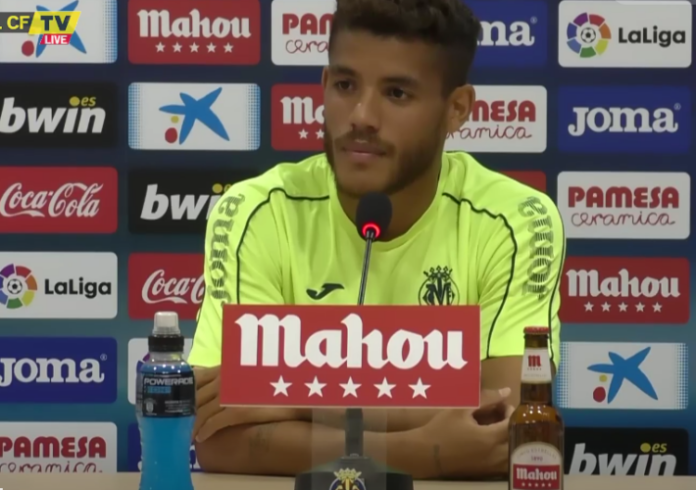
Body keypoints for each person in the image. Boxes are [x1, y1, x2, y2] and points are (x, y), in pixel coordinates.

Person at [188, 0, 566, 480]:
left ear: (456, 110)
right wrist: (421, 451)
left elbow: (506, 422)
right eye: (346, 86)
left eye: (397, 93)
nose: (362, 116)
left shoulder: (515, 220)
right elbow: (219, 438)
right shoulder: (257, 212)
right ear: (324, 85)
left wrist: (293, 393)